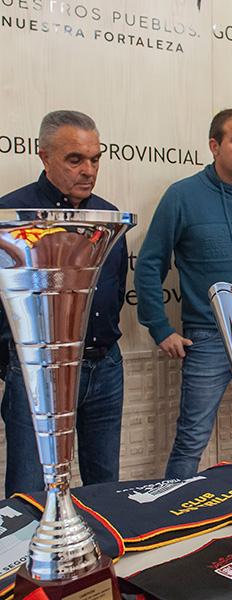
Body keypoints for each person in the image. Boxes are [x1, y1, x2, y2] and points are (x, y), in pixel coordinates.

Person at [134, 108, 232, 480]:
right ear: (214, 145)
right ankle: (171, 512)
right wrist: (160, 328)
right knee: (191, 439)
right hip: (207, 336)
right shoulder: (182, 196)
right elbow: (149, 264)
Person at [0, 110, 128, 497]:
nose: (88, 170)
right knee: (29, 489)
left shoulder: (108, 217)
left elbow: (115, 290)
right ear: (44, 156)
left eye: (95, 159)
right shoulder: (11, 216)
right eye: (75, 159)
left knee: (105, 486)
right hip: (37, 373)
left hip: (104, 368)